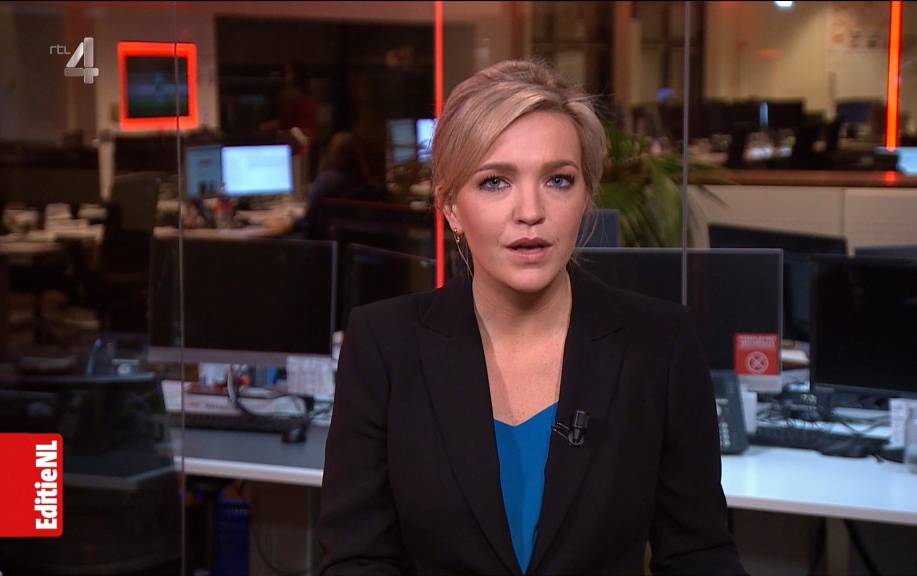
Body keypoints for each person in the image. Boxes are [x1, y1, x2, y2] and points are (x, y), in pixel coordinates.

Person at [317, 59, 748, 575]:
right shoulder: (383, 345)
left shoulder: (660, 345)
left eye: (558, 180)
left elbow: (699, 556)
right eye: (495, 182)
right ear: (450, 205)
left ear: (586, 195)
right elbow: (357, 560)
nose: (530, 211)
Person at [275, 131, 380, 238]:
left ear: (331, 152)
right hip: (350, 242)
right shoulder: (365, 182)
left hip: (321, 242)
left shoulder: (326, 180)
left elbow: (308, 220)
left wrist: (287, 224)